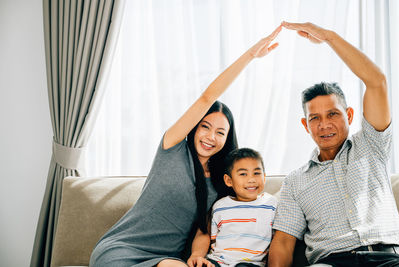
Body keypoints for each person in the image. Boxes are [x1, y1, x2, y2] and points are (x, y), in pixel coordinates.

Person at [89, 25, 282, 267]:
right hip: (122, 250)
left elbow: (251, 205)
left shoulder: (223, 182)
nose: (211, 136)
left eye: (220, 132)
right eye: (205, 127)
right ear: (194, 128)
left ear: (227, 140)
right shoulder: (172, 148)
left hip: (169, 261)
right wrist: (250, 56)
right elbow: (207, 97)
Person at [268, 22, 399, 267]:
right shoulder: (296, 182)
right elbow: (284, 242)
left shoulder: (372, 145)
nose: (324, 125)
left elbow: (377, 81)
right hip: (331, 263)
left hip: (389, 259)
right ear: (305, 125)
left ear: (349, 115)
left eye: (333, 114)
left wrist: (329, 37)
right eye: (314, 118)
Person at [187, 148, 277, 267]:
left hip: (250, 264)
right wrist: (196, 255)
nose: (251, 179)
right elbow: (205, 232)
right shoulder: (220, 206)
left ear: (264, 177)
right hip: (217, 261)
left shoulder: (271, 204)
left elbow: (281, 237)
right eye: (243, 174)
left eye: (256, 173)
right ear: (229, 180)